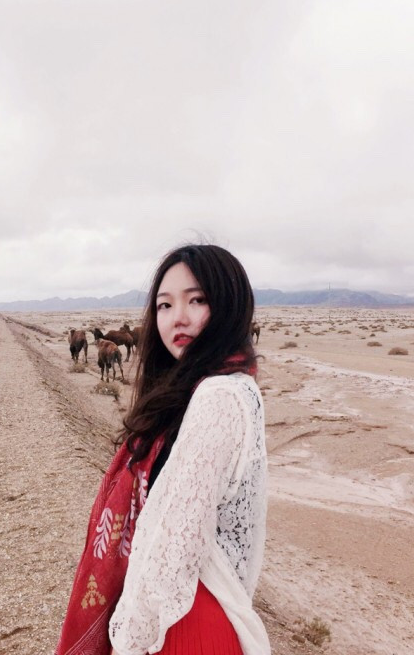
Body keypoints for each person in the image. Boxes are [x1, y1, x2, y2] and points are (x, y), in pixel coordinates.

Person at [55, 244, 270, 655]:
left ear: (229, 304)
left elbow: (172, 545)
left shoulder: (218, 396)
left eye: (197, 300)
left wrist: (129, 642)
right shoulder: (226, 387)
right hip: (191, 613)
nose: (178, 317)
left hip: (181, 626)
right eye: (165, 305)